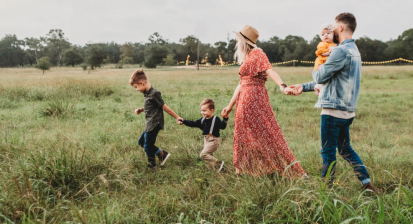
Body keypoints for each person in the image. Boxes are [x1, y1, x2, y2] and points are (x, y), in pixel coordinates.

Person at [287, 13, 378, 192]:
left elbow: (321, 76)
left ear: (342, 28)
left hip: (332, 110)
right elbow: (332, 80)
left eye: (335, 27)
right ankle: (366, 183)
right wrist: (303, 87)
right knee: (345, 149)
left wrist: (318, 69)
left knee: (328, 152)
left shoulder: (340, 50)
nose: (333, 31)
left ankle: (326, 191)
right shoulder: (355, 51)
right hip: (347, 111)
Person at [222, 25, 306, 178]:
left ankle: (279, 168)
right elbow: (241, 83)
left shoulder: (257, 53)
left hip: (254, 97)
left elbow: (270, 70)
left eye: (237, 39)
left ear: (244, 41)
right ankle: (245, 169)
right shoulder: (247, 57)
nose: (235, 42)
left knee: (265, 132)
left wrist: (283, 86)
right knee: (242, 132)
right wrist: (229, 106)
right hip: (245, 97)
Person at [130, 69, 182, 169]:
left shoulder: (154, 93)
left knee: (147, 145)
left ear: (141, 83)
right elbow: (151, 106)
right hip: (149, 123)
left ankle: (152, 164)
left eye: (136, 87)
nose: (136, 89)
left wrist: (177, 117)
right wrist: (141, 110)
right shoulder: (147, 93)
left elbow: (164, 107)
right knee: (141, 142)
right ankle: (161, 154)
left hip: (154, 123)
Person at [179, 98, 228, 172]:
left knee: (203, 154)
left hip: (213, 141)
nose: (202, 112)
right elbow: (193, 123)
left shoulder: (216, 119)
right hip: (206, 140)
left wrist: (225, 119)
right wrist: (184, 121)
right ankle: (214, 171)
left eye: (204, 110)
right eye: (201, 110)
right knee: (209, 158)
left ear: (212, 110)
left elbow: (222, 127)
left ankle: (218, 163)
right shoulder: (202, 120)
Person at [314, 23, 337, 97]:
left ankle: (319, 86)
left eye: (328, 33)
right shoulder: (323, 44)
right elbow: (320, 53)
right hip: (321, 62)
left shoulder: (333, 44)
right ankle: (318, 86)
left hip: (327, 62)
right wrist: (329, 53)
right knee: (322, 73)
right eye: (323, 34)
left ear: (333, 34)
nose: (326, 35)